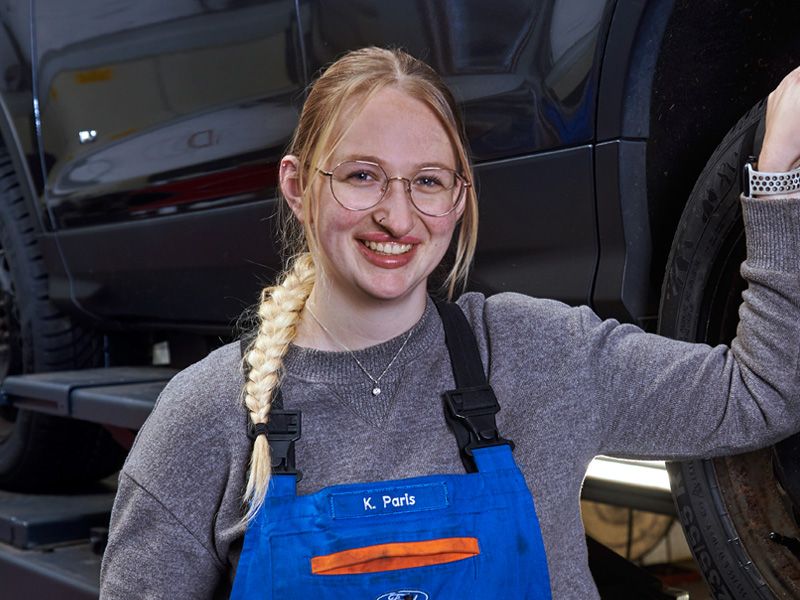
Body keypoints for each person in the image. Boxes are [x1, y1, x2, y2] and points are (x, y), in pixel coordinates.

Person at [100, 47, 800, 599]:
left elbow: (762, 393)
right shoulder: (205, 417)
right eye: (362, 175)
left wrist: (776, 176)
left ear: (460, 198)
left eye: (428, 181)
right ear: (297, 185)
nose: (397, 218)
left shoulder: (538, 354)